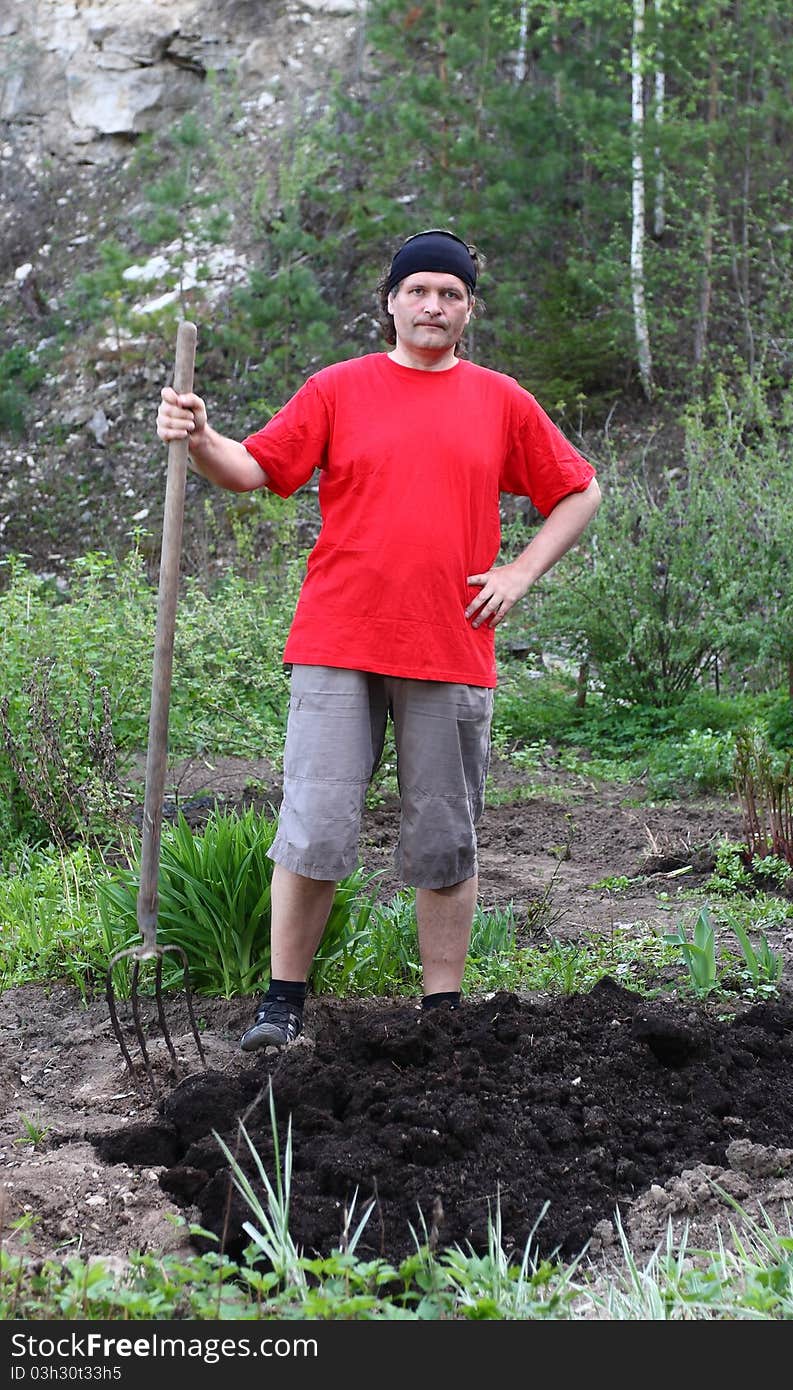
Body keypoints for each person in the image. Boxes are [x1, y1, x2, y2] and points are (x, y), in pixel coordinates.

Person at [156, 228, 601, 1051]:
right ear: (391, 302)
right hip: (339, 639)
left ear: (468, 310)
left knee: (443, 834)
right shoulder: (336, 389)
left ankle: (442, 1014)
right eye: (419, 290)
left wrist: (520, 573)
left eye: (451, 294)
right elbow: (255, 469)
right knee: (316, 826)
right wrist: (200, 436)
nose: (433, 305)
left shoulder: (501, 400)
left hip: (450, 642)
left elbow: (579, 490)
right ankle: (281, 1004)